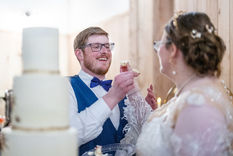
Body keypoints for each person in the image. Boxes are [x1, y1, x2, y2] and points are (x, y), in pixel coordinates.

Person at [122, 12, 233, 155]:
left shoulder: (197, 105)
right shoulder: (190, 93)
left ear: (173, 49)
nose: (157, 51)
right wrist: (133, 92)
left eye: (158, 44)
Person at [67, 27, 146, 155]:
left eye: (107, 46)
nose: (104, 51)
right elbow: (71, 136)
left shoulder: (120, 89)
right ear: (79, 54)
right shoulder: (67, 86)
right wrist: (112, 97)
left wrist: (143, 110)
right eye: (96, 46)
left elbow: (136, 139)